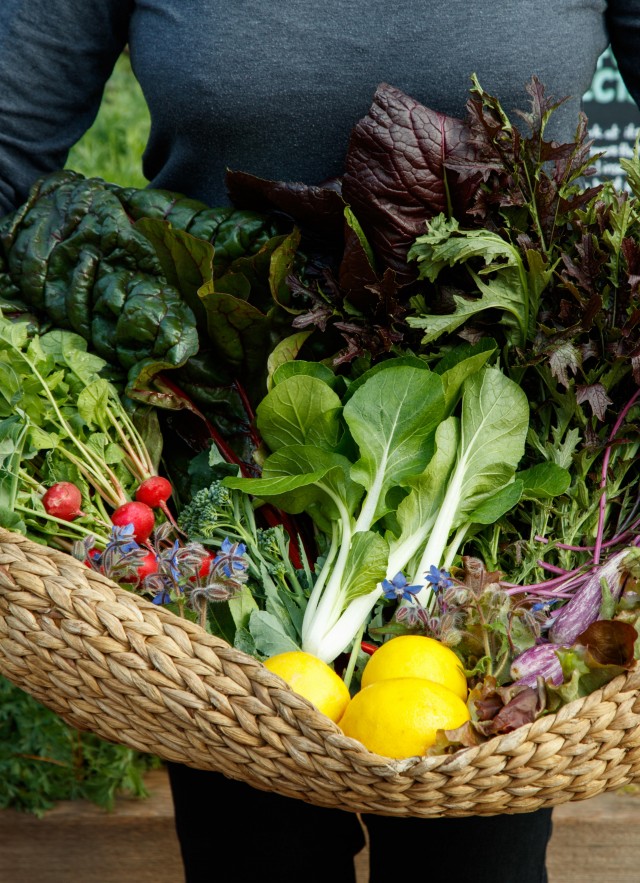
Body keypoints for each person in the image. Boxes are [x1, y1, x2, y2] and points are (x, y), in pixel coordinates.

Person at [1, 3, 639, 881]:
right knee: (254, 856)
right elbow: (7, 142)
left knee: (476, 861)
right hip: (230, 501)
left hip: (502, 505)